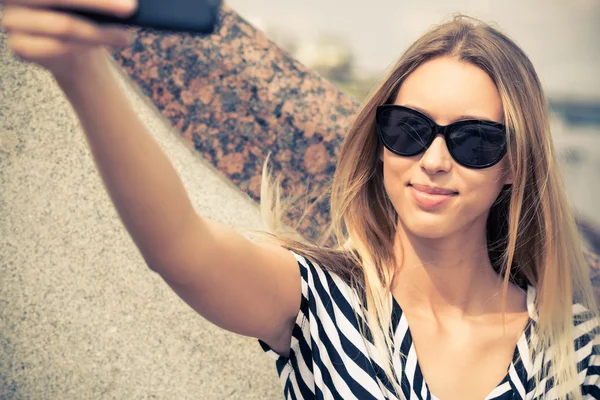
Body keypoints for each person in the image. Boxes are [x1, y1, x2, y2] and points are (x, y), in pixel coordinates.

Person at [1, 0, 599, 398]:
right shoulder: (318, 299)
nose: (434, 160)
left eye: (473, 140)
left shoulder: (573, 350)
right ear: (380, 144)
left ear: (514, 166)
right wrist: (81, 69)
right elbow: (177, 246)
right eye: (409, 130)